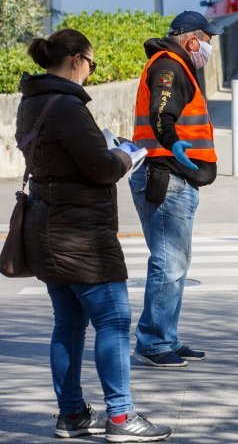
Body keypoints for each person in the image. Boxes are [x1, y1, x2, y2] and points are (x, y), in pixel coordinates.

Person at [17, 29, 171, 441]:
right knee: (114, 320)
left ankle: (72, 415)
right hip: (81, 233)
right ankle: (120, 417)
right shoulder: (67, 105)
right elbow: (100, 167)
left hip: (47, 227)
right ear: (76, 60)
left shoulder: (31, 101)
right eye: (92, 63)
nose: (90, 71)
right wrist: (124, 154)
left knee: (67, 322)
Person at [130, 11, 222, 367]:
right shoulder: (169, 67)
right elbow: (160, 113)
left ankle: (165, 336)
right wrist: (173, 142)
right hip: (166, 175)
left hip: (174, 176)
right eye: (207, 40)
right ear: (191, 39)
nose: (209, 47)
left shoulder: (178, 66)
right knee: (168, 262)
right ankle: (153, 343)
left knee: (176, 261)